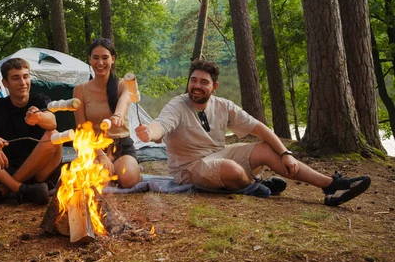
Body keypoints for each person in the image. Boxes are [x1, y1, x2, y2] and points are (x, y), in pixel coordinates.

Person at [135, 59, 371, 206]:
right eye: (193, 80)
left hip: (219, 153)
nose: (196, 86)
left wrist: (286, 152)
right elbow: (160, 126)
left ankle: (330, 186)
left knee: (267, 150)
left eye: (203, 82)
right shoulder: (178, 105)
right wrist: (150, 131)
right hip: (190, 169)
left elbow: (259, 128)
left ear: (214, 87)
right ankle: (256, 185)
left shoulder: (224, 105)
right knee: (231, 169)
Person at [0, 58, 63, 206]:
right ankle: (20, 189)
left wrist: (38, 117)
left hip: (40, 171)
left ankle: (3, 191)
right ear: (5, 84)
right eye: (16, 78)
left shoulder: (39, 100)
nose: (22, 82)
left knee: (53, 135)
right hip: (6, 168)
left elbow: (52, 122)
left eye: (25, 76)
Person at [73, 38, 142, 188]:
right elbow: (81, 129)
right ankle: (108, 172)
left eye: (105, 58)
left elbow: (125, 99)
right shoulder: (80, 90)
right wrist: (100, 154)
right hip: (94, 147)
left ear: (113, 59)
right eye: (95, 58)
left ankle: (128, 169)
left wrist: (117, 115)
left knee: (128, 178)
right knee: (96, 182)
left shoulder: (123, 84)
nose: (100, 63)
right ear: (89, 59)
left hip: (121, 145)